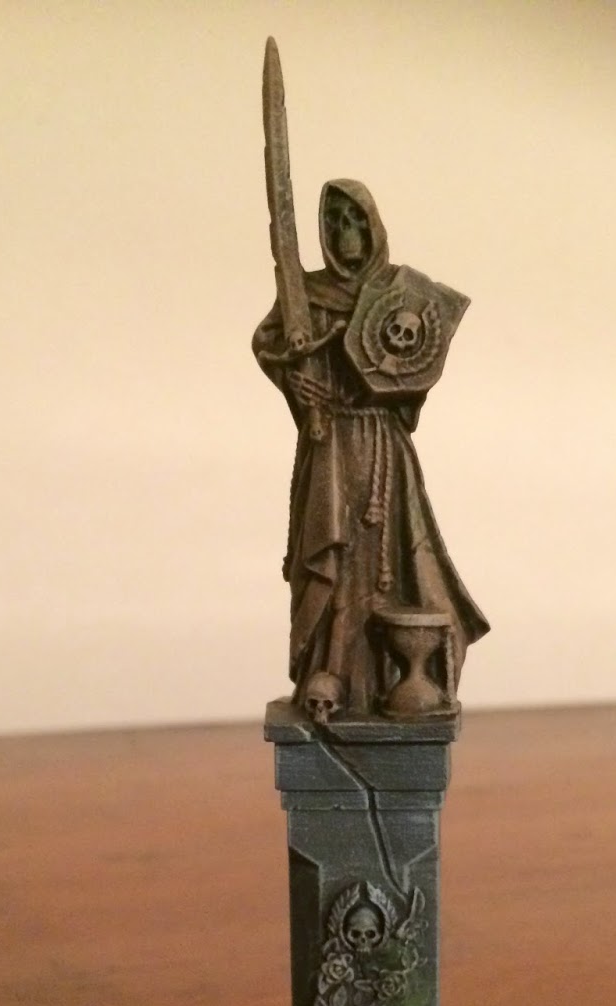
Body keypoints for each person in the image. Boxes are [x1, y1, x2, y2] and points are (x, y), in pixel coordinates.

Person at [254, 179, 488, 718]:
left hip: (384, 452)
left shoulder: (399, 293)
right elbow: (268, 343)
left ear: (373, 224)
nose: (345, 230)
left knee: (388, 563)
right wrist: (295, 380)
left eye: (355, 219)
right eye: (334, 220)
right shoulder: (306, 293)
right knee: (329, 559)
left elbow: (415, 371)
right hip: (329, 446)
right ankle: (327, 672)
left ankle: (395, 680)